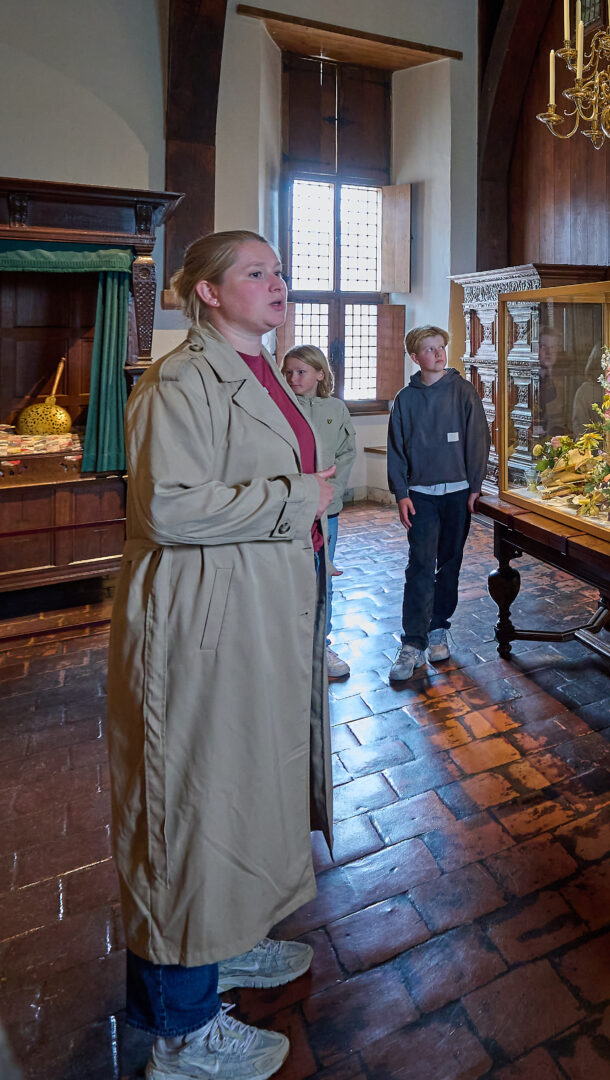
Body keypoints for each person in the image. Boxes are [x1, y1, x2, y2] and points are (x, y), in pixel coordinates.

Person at [109, 230, 336, 1080]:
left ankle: (226, 940)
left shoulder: (258, 369)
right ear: (206, 292)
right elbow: (170, 507)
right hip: (202, 620)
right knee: (189, 807)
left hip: (256, 609)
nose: (278, 282)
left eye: (279, 271)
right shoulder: (178, 380)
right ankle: (183, 1031)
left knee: (238, 788)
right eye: (256, 272)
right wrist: (296, 498)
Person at [386, 324, 490, 682]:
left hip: (458, 494)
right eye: (428, 349)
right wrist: (401, 492)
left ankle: (438, 629)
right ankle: (412, 643)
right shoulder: (405, 399)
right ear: (415, 357)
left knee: (450, 563)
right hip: (420, 496)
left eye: (440, 347)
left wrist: (475, 485)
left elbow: (478, 439)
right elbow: (396, 450)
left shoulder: (463, 391)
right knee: (419, 565)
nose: (438, 353)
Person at [283, 344, 356, 679]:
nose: (294, 378)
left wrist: (328, 497)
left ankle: (320, 646)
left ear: (320, 374)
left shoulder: (335, 409)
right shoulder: (278, 408)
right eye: (288, 372)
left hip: (328, 514)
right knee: (288, 578)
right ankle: (290, 648)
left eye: (301, 371)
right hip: (289, 508)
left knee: (321, 577)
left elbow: (345, 455)